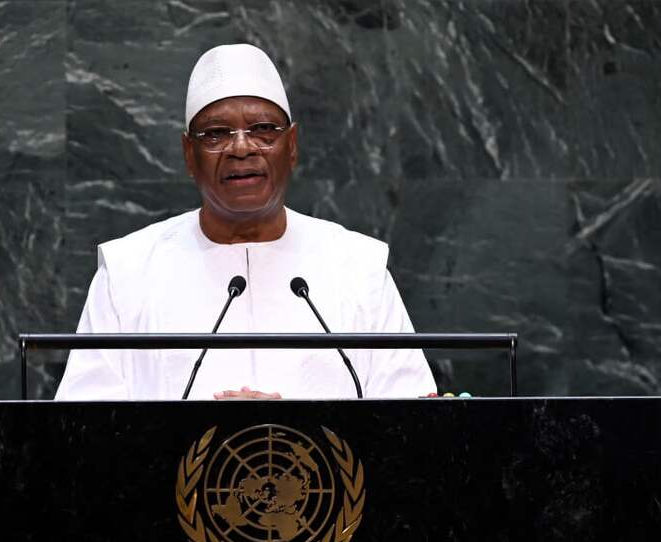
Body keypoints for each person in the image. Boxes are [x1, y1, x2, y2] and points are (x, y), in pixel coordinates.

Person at [55, 43, 436, 400]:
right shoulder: (127, 275)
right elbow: (83, 427)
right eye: (216, 134)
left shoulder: (359, 269)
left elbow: (410, 420)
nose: (241, 148)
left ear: (292, 146)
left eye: (263, 130)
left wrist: (284, 429)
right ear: (189, 154)